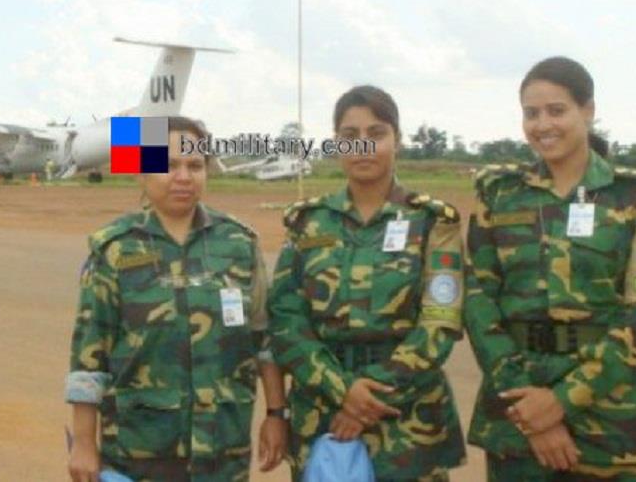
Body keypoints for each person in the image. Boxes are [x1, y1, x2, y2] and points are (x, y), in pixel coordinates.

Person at [464, 56, 636, 481]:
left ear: (588, 111)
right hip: (518, 411)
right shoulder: (499, 194)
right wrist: (533, 412)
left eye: (557, 110)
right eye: (531, 113)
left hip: (613, 416)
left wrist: (562, 400)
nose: (543, 124)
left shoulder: (635, 194)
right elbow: (478, 299)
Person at [65, 116, 288, 482]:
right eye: (169, 165)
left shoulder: (239, 244)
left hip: (223, 448)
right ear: (142, 172)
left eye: (195, 165)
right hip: (139, 449)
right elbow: (90, 355)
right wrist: (84, 442)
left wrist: (277, 415)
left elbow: (263, 340)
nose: (183, 176)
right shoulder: (114, 248)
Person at [269, 85, 467, 481]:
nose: (362, 147)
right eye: (349, 137)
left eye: (376, 134)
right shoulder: (308, 223)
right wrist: (342, 391)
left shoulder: (432, 221)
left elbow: (440, 321)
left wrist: (367, 397)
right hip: (322, 413)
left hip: (407, 420)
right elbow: (286, 320)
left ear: (398, 140)